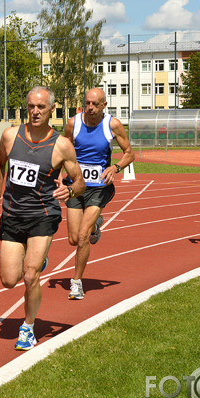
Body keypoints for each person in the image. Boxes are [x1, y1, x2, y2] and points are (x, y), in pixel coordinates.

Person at [0, 86, 85, 350]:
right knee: (8, 280)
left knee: (30, 275)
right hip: (11, 214)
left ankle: (28, 327)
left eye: (41, 107)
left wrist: (70, 190)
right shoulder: (10, 135)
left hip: (43, 215)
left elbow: (80, 182)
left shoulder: (61, 145)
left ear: (52, 110)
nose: (35, 111)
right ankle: (37, 261)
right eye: (31, 106)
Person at [62, 87, 135, 300]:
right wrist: (58, 175)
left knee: (84, 236)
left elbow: (129, 153)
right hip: (76, 185)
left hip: (100, 187)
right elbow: (63, 150)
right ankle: (96, 224)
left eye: (95, 104)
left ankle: (76, 283)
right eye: (87, 103)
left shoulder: (112, 124)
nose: (90, 108)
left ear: (104, 105)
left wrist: (115, 168)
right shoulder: (72, 123)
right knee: (73, 239)